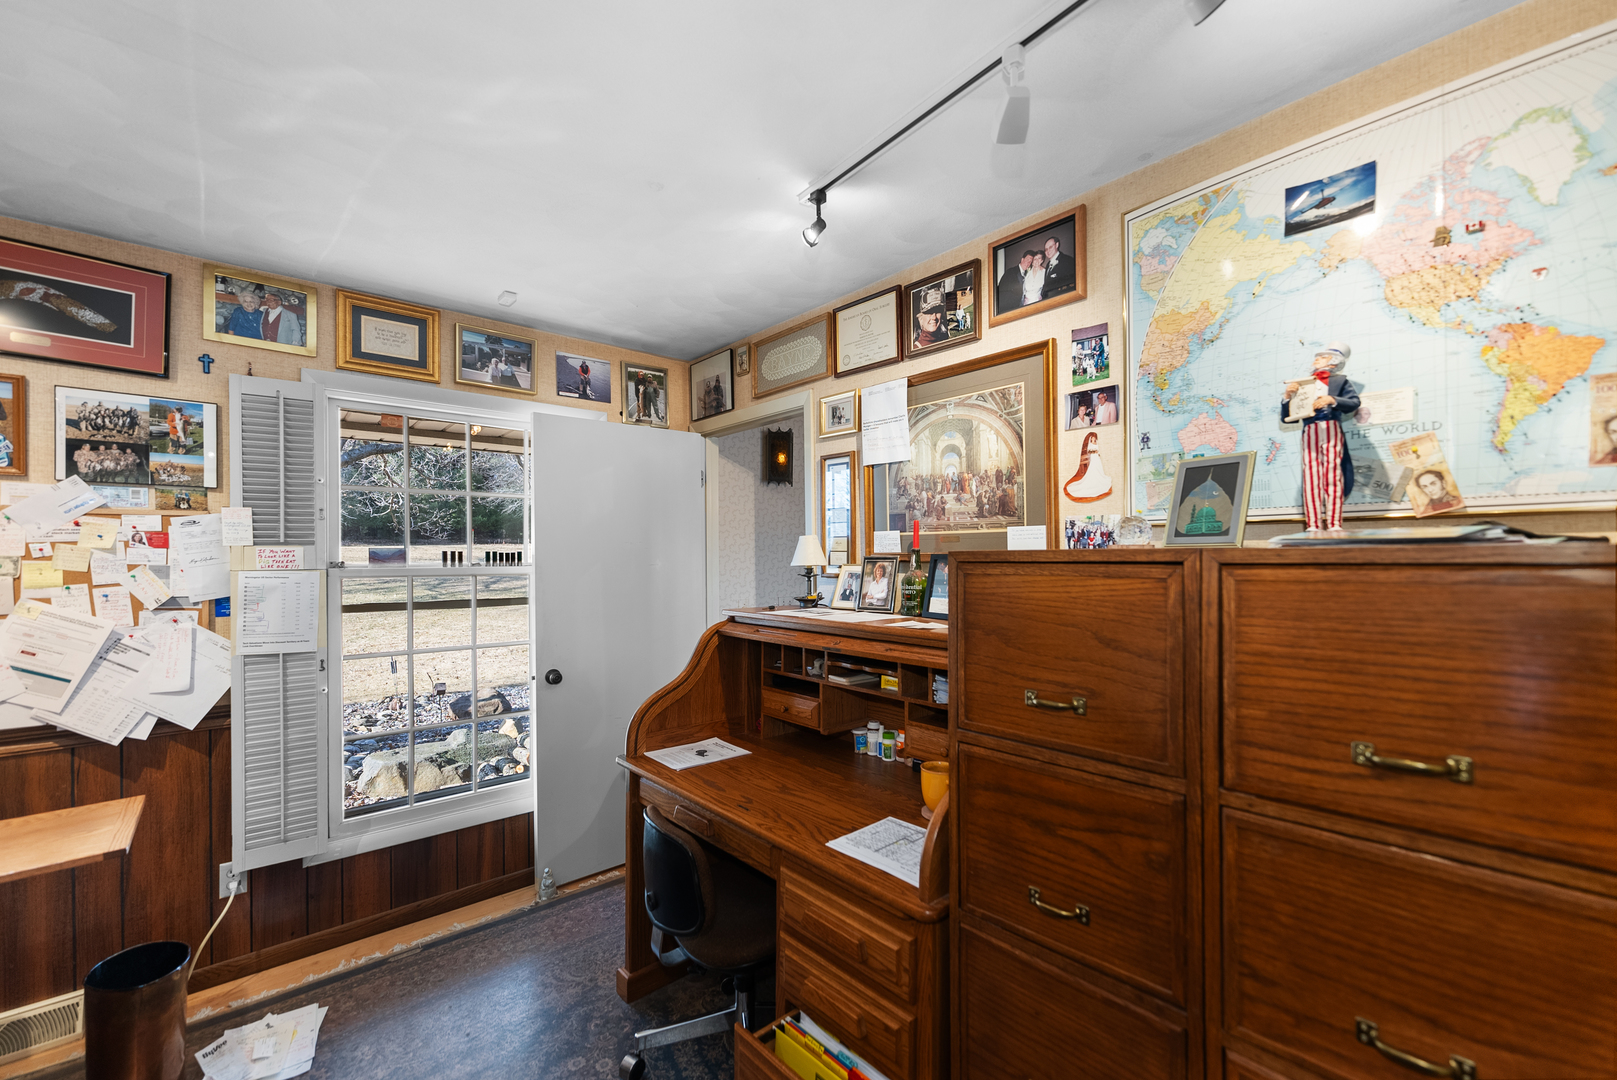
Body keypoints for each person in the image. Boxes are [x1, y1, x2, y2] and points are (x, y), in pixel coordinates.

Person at [1282, 341, 1360, 531]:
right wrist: (1287, 397)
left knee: (1333, 475)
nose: (1317, 360)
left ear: (1333, 362)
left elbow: (1354, 402)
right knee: (1311, 477)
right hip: (1310, 429)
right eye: (1317, 357)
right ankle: (1313, 524)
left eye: (1323, 357)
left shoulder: (1340, 381)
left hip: (1331, 428)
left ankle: (1334, 523)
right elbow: (1287, 417)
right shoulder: (1303, 383)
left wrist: (1332, 399)